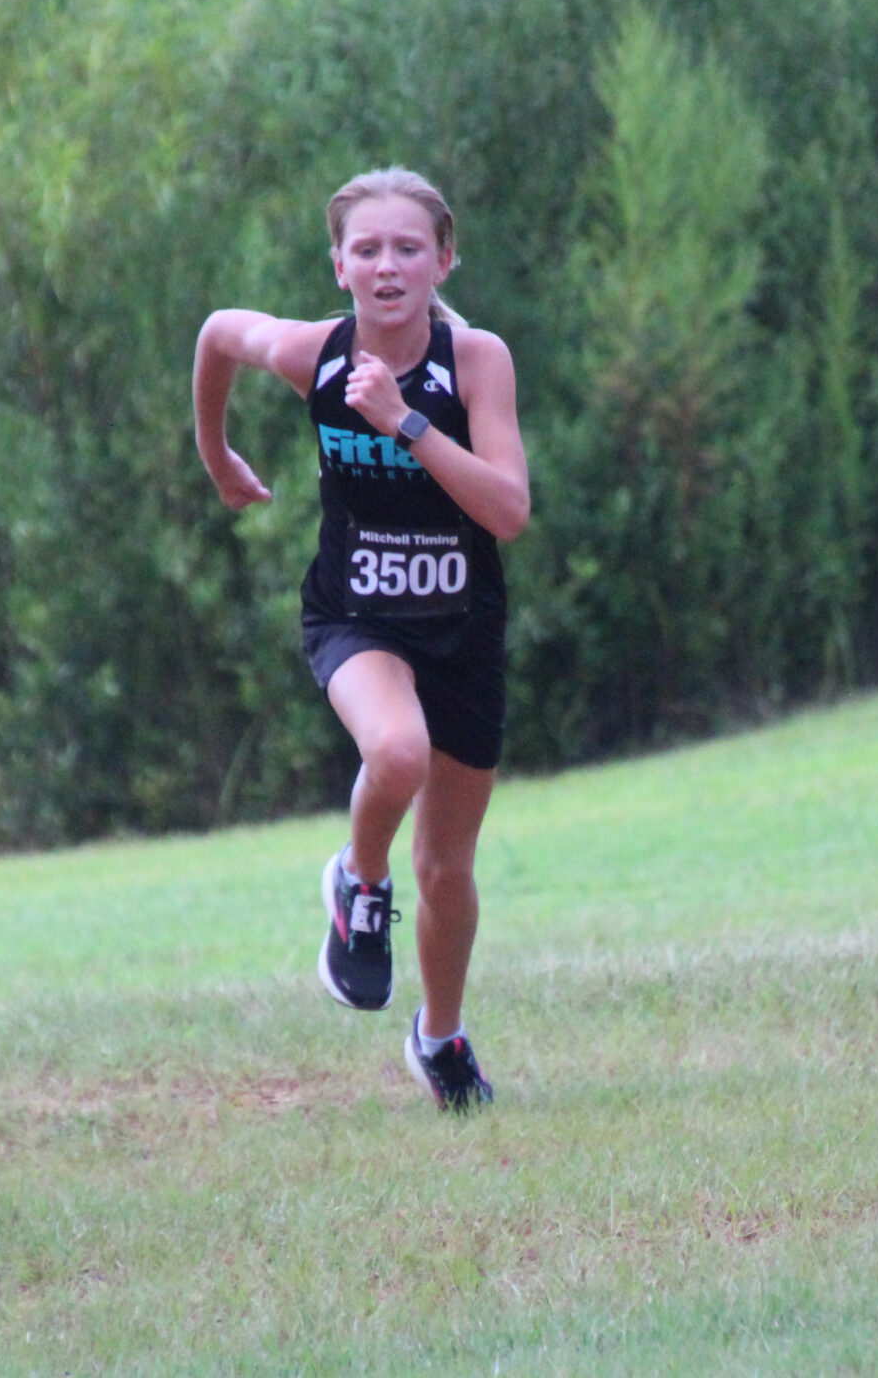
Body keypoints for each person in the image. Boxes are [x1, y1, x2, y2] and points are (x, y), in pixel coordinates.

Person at [190, 167, 530, 1112]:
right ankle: (358, 881)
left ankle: (440, 1038)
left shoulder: (477, 362)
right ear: (339, 266)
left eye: (409, 248)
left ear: (444, 261)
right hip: (355, 614)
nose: (388, 266)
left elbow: (507, 511)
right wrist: (218, 456)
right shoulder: (317, 352)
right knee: (397, 751)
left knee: (448, 870)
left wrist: (406, 423)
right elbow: (219, 334)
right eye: (367, 249)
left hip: (463, 629)